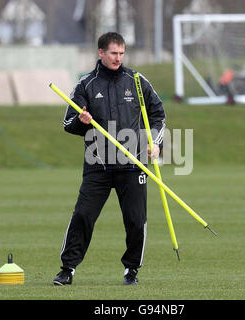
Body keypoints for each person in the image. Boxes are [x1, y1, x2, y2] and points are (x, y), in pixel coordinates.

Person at [53, 32, 165, 286]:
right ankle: (67, 269)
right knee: (82, 215)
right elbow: (68, 123)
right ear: (101, 53)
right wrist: (82, 123)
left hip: (132, 164)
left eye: (122, 53)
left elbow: (158, 113)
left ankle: (131, 270)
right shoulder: (85, 85)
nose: (118, 58)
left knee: (136, 220)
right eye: (113, 53)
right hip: (98, 165)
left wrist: (154, 142)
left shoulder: (136, 81)